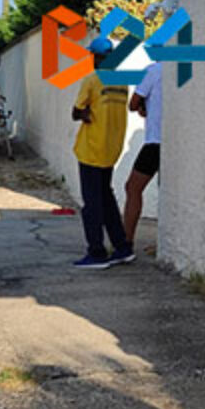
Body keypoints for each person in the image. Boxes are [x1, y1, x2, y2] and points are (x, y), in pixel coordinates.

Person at [71, 36, 133, 270]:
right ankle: (122, 247)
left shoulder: (92, 80)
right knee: (106, 199)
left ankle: (96, 252)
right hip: (111, 149)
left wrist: (84, 114)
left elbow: (76, 112)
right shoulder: (122, 83)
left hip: (91, 149)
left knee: (92, 203)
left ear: (96, 57)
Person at [123, 61, 162, 243]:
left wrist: (142, 106)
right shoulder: (181, 68)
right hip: (176, 142)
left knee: (132, 188)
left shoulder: (153, 70)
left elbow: (133, 104)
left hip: (155, 142)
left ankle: (126, 241)